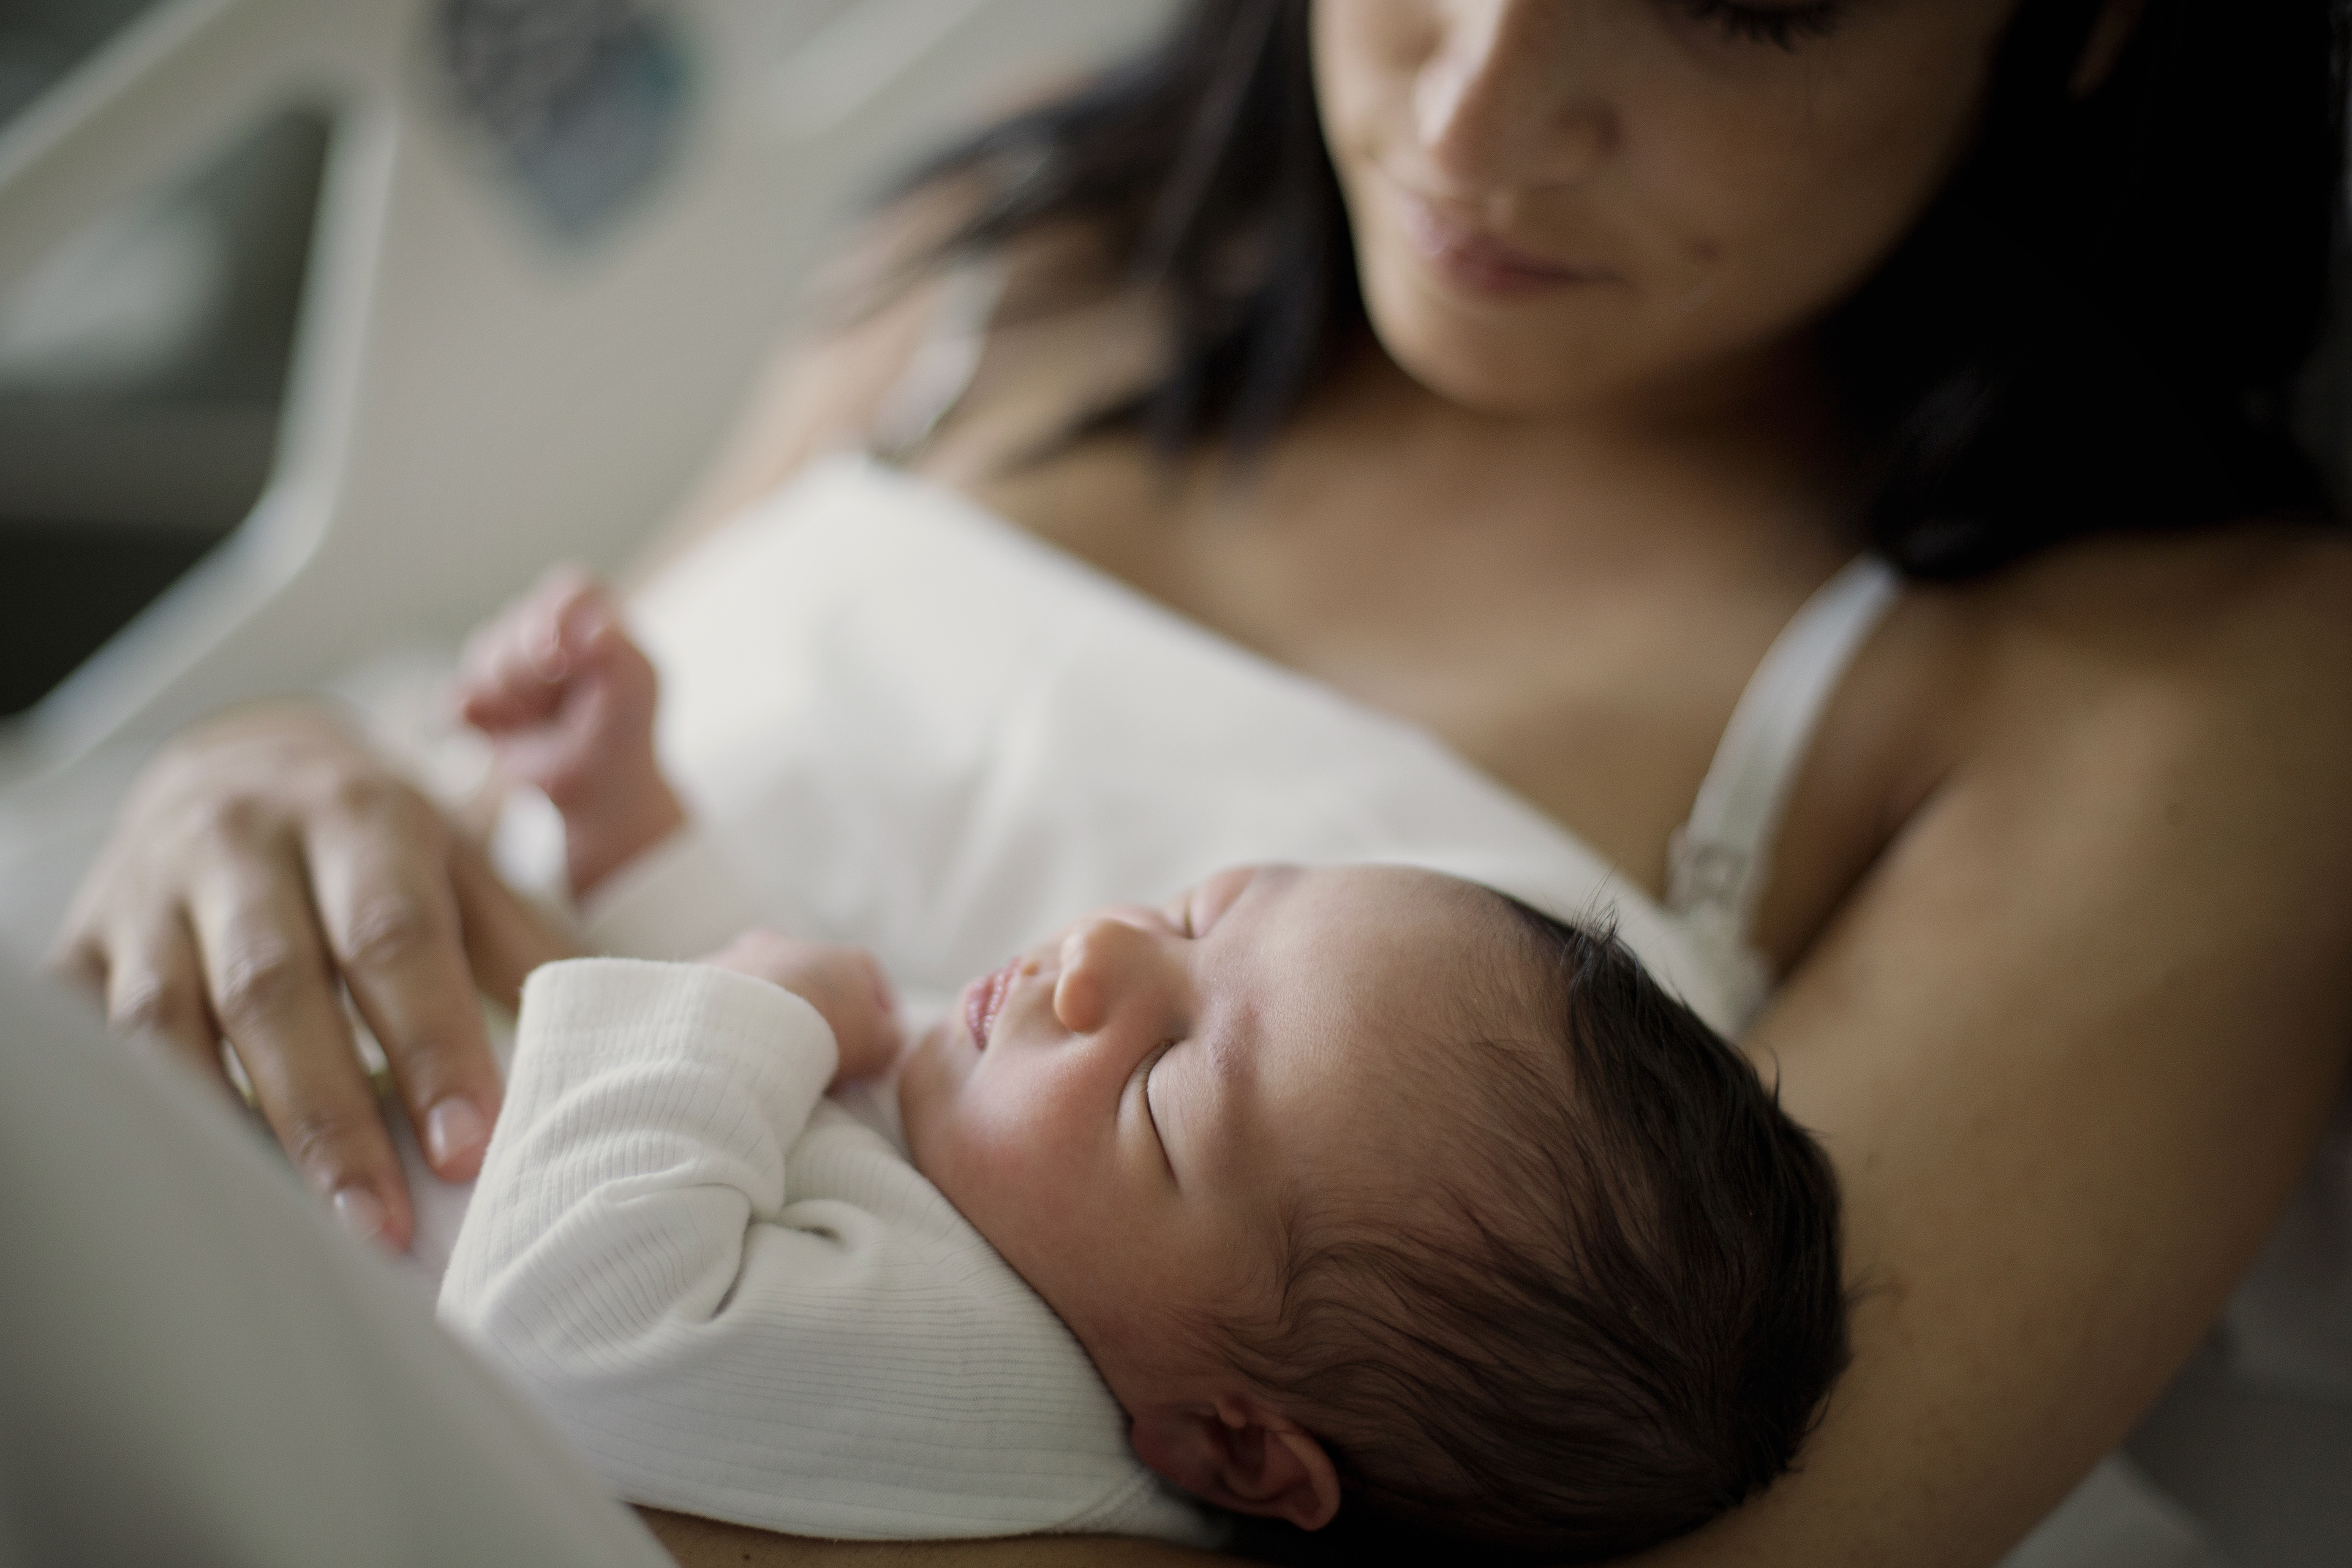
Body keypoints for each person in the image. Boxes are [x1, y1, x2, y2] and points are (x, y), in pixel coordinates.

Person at [47, 4, 2352, 1567]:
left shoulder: (2168, 689)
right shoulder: (1019, 265)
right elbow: (514, 805)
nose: (1465, 117)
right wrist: (272, 792)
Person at [436, 575, 1847, 1561]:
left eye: (1165, 1088)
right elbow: (770, 1114)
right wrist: (623, 819)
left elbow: (563, 1317)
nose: (1099, 949)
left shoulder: (983, 1368)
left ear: (1232, 1446)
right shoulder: (1013, 1176)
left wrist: (741, 1000)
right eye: (1195, 914)